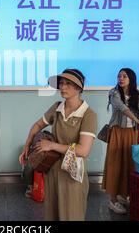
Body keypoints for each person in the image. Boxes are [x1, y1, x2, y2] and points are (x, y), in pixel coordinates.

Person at [18, 69, 97, 221]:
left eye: (68, 83)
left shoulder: (88, 114)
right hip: (53, 171)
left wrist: (52, 146)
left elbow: (83, 150)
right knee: (52, 214)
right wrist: (27, 144)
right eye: (61, 83)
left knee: (71, 215)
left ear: (79, 88)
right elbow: (37, 125)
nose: (63, 87)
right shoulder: (56, 108)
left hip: (73, 175)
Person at [102, 68, 139, 214]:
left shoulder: (137, 94)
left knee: (130, 164)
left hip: (132, 133)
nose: (121, 78)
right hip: (118, 131)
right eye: (119, 76)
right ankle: (113, 200)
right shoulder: (114, 93)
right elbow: (123, 108)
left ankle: (123, 195)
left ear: (131, 78)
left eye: (124, 76)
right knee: (115, 164)